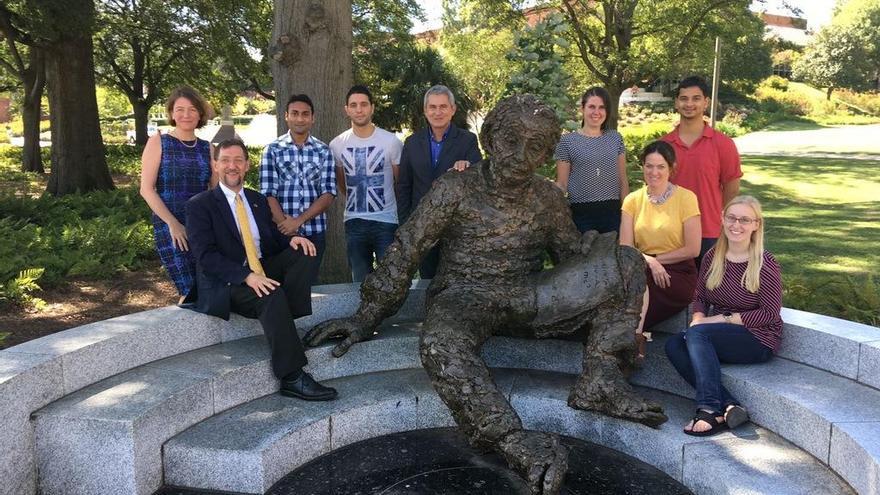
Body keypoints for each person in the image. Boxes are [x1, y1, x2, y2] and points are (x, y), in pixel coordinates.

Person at [306, 95, 666, 495]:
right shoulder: (455, 188)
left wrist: (598, 258)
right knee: (441, 344)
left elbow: (568, 257)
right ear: (491, 138)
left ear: (547, 154)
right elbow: (407, 249)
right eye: (512, 140)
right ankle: (513, 441)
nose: (520, 155)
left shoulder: (548, 197)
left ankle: (600, 380)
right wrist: (366, 315)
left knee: (627, 261)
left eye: (535, 147)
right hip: (464, 295)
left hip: (528, 295)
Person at [186, 138, 336, 401]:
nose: (232, 166)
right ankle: (292, 377)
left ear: (247, 166)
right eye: (226, 160)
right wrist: (247, 276)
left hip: (260, 269)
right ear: (216, 165)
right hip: (228, 282)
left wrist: (292, 239)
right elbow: (205, 256)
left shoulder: (256, 200)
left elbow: (271, 240)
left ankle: (284, 319)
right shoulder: (201, 205)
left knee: (305, 250)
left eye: (238, 161)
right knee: (271, 295)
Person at [665, 195, 782, 437]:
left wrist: (715, 321)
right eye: (731, 218)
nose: (736, 225)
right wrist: (698, 316)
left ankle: (708, 408)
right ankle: (728, 405)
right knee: (673, 345)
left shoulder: (765, 263)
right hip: (716, 334)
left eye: (744, 219)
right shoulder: (713, 256)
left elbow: (770, 314)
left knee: (697, 334)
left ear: (756, 225)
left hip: (758, 339)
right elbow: (700, 296)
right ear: (722, 219)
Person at [620, 141, 701, 357]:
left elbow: (693, 248)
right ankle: (633, 339)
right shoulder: (632, 201)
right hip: (643, 265)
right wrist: (651, 261)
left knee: (635, 288)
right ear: (642, 167)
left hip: (678, 272)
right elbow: (625, 248)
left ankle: (636, 341)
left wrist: (658, 261)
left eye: (660, 166)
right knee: (633, 284)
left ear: (671, 168)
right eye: (649, 166)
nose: (654, 172)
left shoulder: (686, 198)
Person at [397, 84, 482, 279]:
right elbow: (403, 186)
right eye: (433, 107)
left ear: (452, 110)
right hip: (423, 229)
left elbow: (480, 177)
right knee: (428, 283)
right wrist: (406, 225)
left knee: (458, 282)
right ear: (425, 111)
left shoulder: (467, 140)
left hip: (457, 229)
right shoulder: (412, 142)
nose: (438, 112)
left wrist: (468, 165)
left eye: (443, 107)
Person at [140, 86, 214, 303]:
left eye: (192, 110)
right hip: (170, 227)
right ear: (171, 113)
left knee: (205, 286)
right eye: (180, 109)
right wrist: (173, 223)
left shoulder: (208, 148)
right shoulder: (159, 142)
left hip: (201, 226)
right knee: (188, 288)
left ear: (200, 114)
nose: (186, 115)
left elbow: (215, 192)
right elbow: (146, 189)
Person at [662, 75, 742, 266]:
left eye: (696, 98)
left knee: (710, 292)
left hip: (709, 232)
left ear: (706, 102)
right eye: (684, 98)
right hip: (671, 232)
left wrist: (715, 215)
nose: (689, 103)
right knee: (672, 294)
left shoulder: (723, 144)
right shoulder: (663, 145)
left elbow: (731, 189)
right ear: (676, 103)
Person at [329, 85, 403, 282]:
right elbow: (342, 183)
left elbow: (399, 182)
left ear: (372, 107)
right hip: (354, 221)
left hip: (386, 221)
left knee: (391, 279)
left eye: (363, 104)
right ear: (347, 110)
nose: (359, 109)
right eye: (353, 105)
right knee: (360, 281)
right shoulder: (337, 144)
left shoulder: (391, 142)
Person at [260, 94, 337, 279]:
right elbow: (267, 193)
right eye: (294, 113)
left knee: (307, 288)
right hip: (281, 233)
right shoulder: (272, 150)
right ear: (286, 116)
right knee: (280, 284)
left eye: (305, 114)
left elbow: (328, 193)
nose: (300, 118)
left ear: (312, 118)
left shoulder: (323, 151)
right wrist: (287, 227)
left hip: (314, 233)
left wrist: (299, 220)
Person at [554, 87, 629, 233]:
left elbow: (623, 180)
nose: (596, 112)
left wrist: (627, 215)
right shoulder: (567, 142)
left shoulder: (615, 138)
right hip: (581, 216)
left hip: (613, 215)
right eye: (591, 107)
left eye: (602, 107)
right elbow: (562, 183)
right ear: (582, 108)